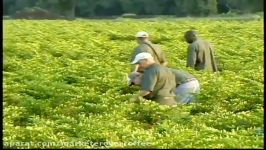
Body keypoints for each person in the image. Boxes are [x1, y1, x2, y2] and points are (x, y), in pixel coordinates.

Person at [129, 68, 200, 104]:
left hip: (186, 84)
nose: (135, 85)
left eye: (133, 83)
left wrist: (134, 98)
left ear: (137, 76)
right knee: (190, 106)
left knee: (175, 107)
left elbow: (151, 91)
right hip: (193, 82)